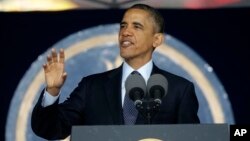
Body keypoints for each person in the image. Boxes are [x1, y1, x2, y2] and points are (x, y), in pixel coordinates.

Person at [31, 3, 200, 140]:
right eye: (123, 26)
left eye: (137, 26)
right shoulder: (92, 87)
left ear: (157, 39)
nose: (125, 32)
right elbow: (51, 130)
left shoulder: (179, 90)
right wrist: (52, 91)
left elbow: (193, 138)